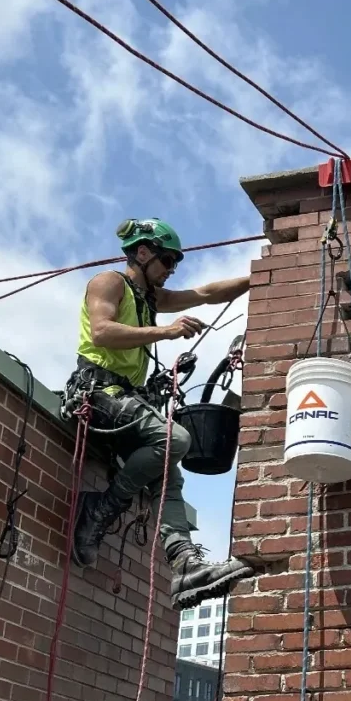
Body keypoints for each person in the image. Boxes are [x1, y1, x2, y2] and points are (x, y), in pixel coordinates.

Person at [62, 217, 273, 610]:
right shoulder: (109, 283)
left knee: (168, 474)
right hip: (98, 393)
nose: (172, 269)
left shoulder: (150, 299)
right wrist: (167, 331)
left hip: (126, 398)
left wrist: (261, 274)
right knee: (175, 439)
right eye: (168, 260)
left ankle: (184, 564)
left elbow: (205, 293)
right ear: (143, 253)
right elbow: (102, 332)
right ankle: (100, 509)